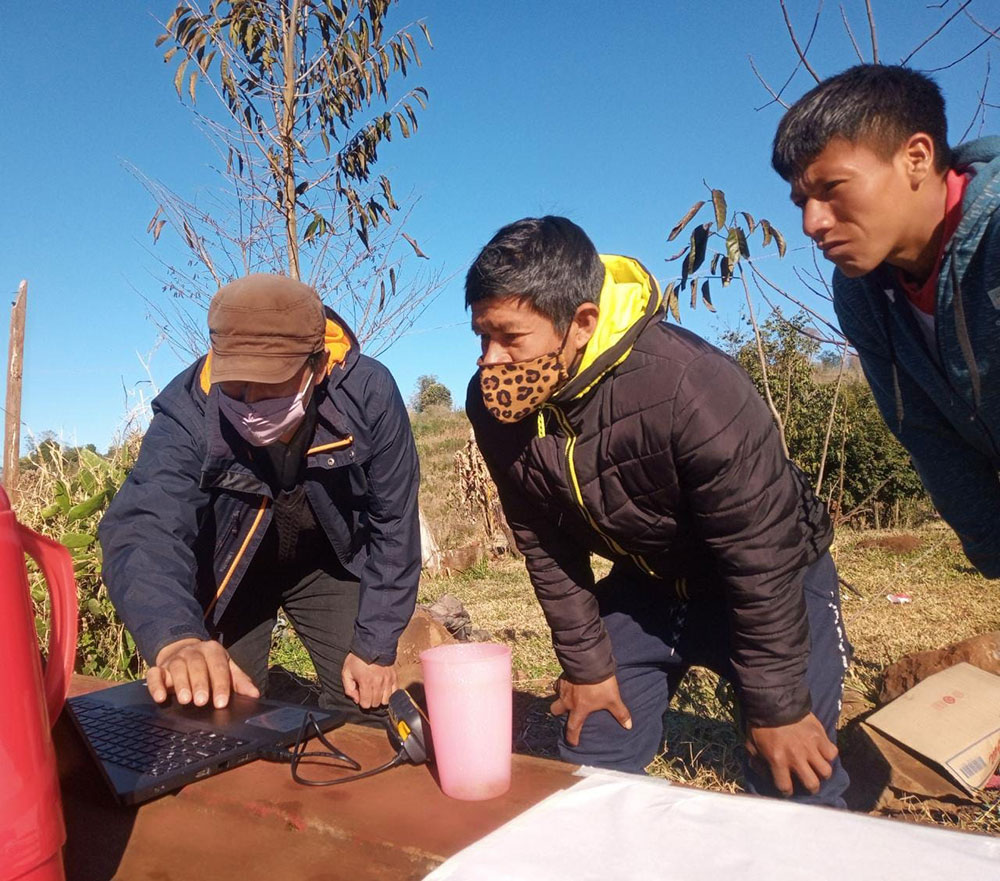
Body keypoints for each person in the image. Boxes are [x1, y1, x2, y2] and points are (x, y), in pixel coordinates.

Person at [465, 216, 850, 806]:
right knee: (589, 763)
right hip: (651, 583)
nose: (490, 361)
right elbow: (542, 541)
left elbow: (760, 551)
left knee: (795, 779)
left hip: (774, 579)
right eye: (481, 338)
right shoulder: (495, 406)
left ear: (581, 323)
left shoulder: (688, 386)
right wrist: (587, 665)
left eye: (511, 338)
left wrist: (776, 703)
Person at [99, 274, 421, 721]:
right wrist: (176, 637)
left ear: (317, 366)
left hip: (325, 561)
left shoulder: (367, 394)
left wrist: (376, 642)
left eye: (268, 384)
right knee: (219, 713)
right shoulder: (187, 409)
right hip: (229, 570)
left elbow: (393, 522)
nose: (249, 403)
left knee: (364, 700)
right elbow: (144, 527)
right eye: (235, 385)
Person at [772, 64, 1000, 578]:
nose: (813, 222)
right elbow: (920, 428)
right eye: (801, 202)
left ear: (915, 157)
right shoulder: (861, 293)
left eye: (832, 187)